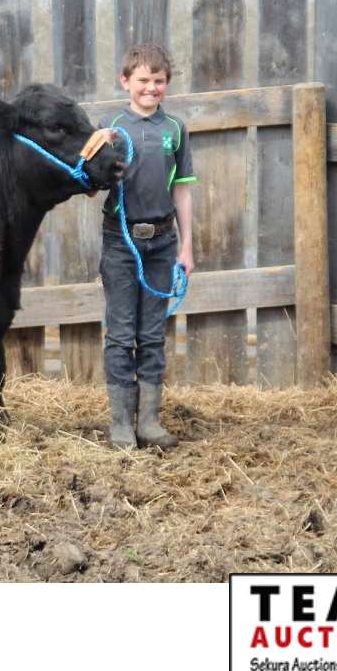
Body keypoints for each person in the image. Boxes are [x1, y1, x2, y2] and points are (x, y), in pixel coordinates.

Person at [98, 44, 195, 449]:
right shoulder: (110, 127)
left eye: (158, 81)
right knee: (121, 334)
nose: (151, 88)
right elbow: (89, 183)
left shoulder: (174, 129)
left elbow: (182, 191)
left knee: (153, 335)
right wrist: (98, 159)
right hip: (121, 242)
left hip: (162, 242)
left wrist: (186, 247)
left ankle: (149, 422)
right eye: (142, 80)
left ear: (166, 84)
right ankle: (121, 423)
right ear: (125, 82)